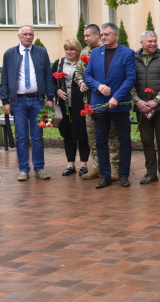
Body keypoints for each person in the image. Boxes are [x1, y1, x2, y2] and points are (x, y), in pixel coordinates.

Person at [83, 22, 136, 189]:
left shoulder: (127, 53)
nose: (103, 37)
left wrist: (117, 97)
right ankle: (105, 175)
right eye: (102, 35)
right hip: (98, 104)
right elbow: (87, 75)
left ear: (116, 35)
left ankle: (123, 175)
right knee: (100, 141)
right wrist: (97, 86)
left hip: (119, 105)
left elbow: (130, 78)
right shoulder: (96, 52)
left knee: (124, 140)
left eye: (106, 34)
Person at [0, 25, 53, 181]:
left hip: (38, 101)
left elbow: (48, 76)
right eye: (25, 34)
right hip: (19, 102)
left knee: (38, 136)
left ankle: (39, 168)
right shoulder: (10, 54)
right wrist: (5, 101)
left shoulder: (41, 53)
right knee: (21, 136)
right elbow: (4, 78)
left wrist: (50, 98)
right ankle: (23, 169)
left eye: (31, 34)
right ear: (19, 36)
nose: (28, 37)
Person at [131, 30, 160, 185]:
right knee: (146, 139)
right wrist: (137, 101)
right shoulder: (133, 58)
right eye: (150, 41)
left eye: (155, 41)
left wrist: (156, 100)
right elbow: (130, 81)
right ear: (142, 43)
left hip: (159, 107)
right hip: (141, 107)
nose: (153, 44)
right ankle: (150, 173)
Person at [76, 24, 118, 181]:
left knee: (112, 137)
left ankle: (114, 168)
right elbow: (79, 73)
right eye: (84, 36)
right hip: (90, 102)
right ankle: (98, 167)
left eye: (88, 36)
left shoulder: (108, 50)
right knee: (93, 136)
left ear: (97, 35)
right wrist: (81, 82)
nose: (85, 39)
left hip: (108, 101)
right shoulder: (85, 53)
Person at [52, 38, 90, 178]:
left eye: (72, 49)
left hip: (80, 104)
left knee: (82, 134)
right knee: (67, 134)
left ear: (78, 50)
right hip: (64, 105)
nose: (69, 52)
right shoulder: (59, 63)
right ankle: (70, 164)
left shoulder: (84, 63)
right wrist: (57, 91)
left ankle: (84, 164)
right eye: (67, 49)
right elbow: (51, 82)